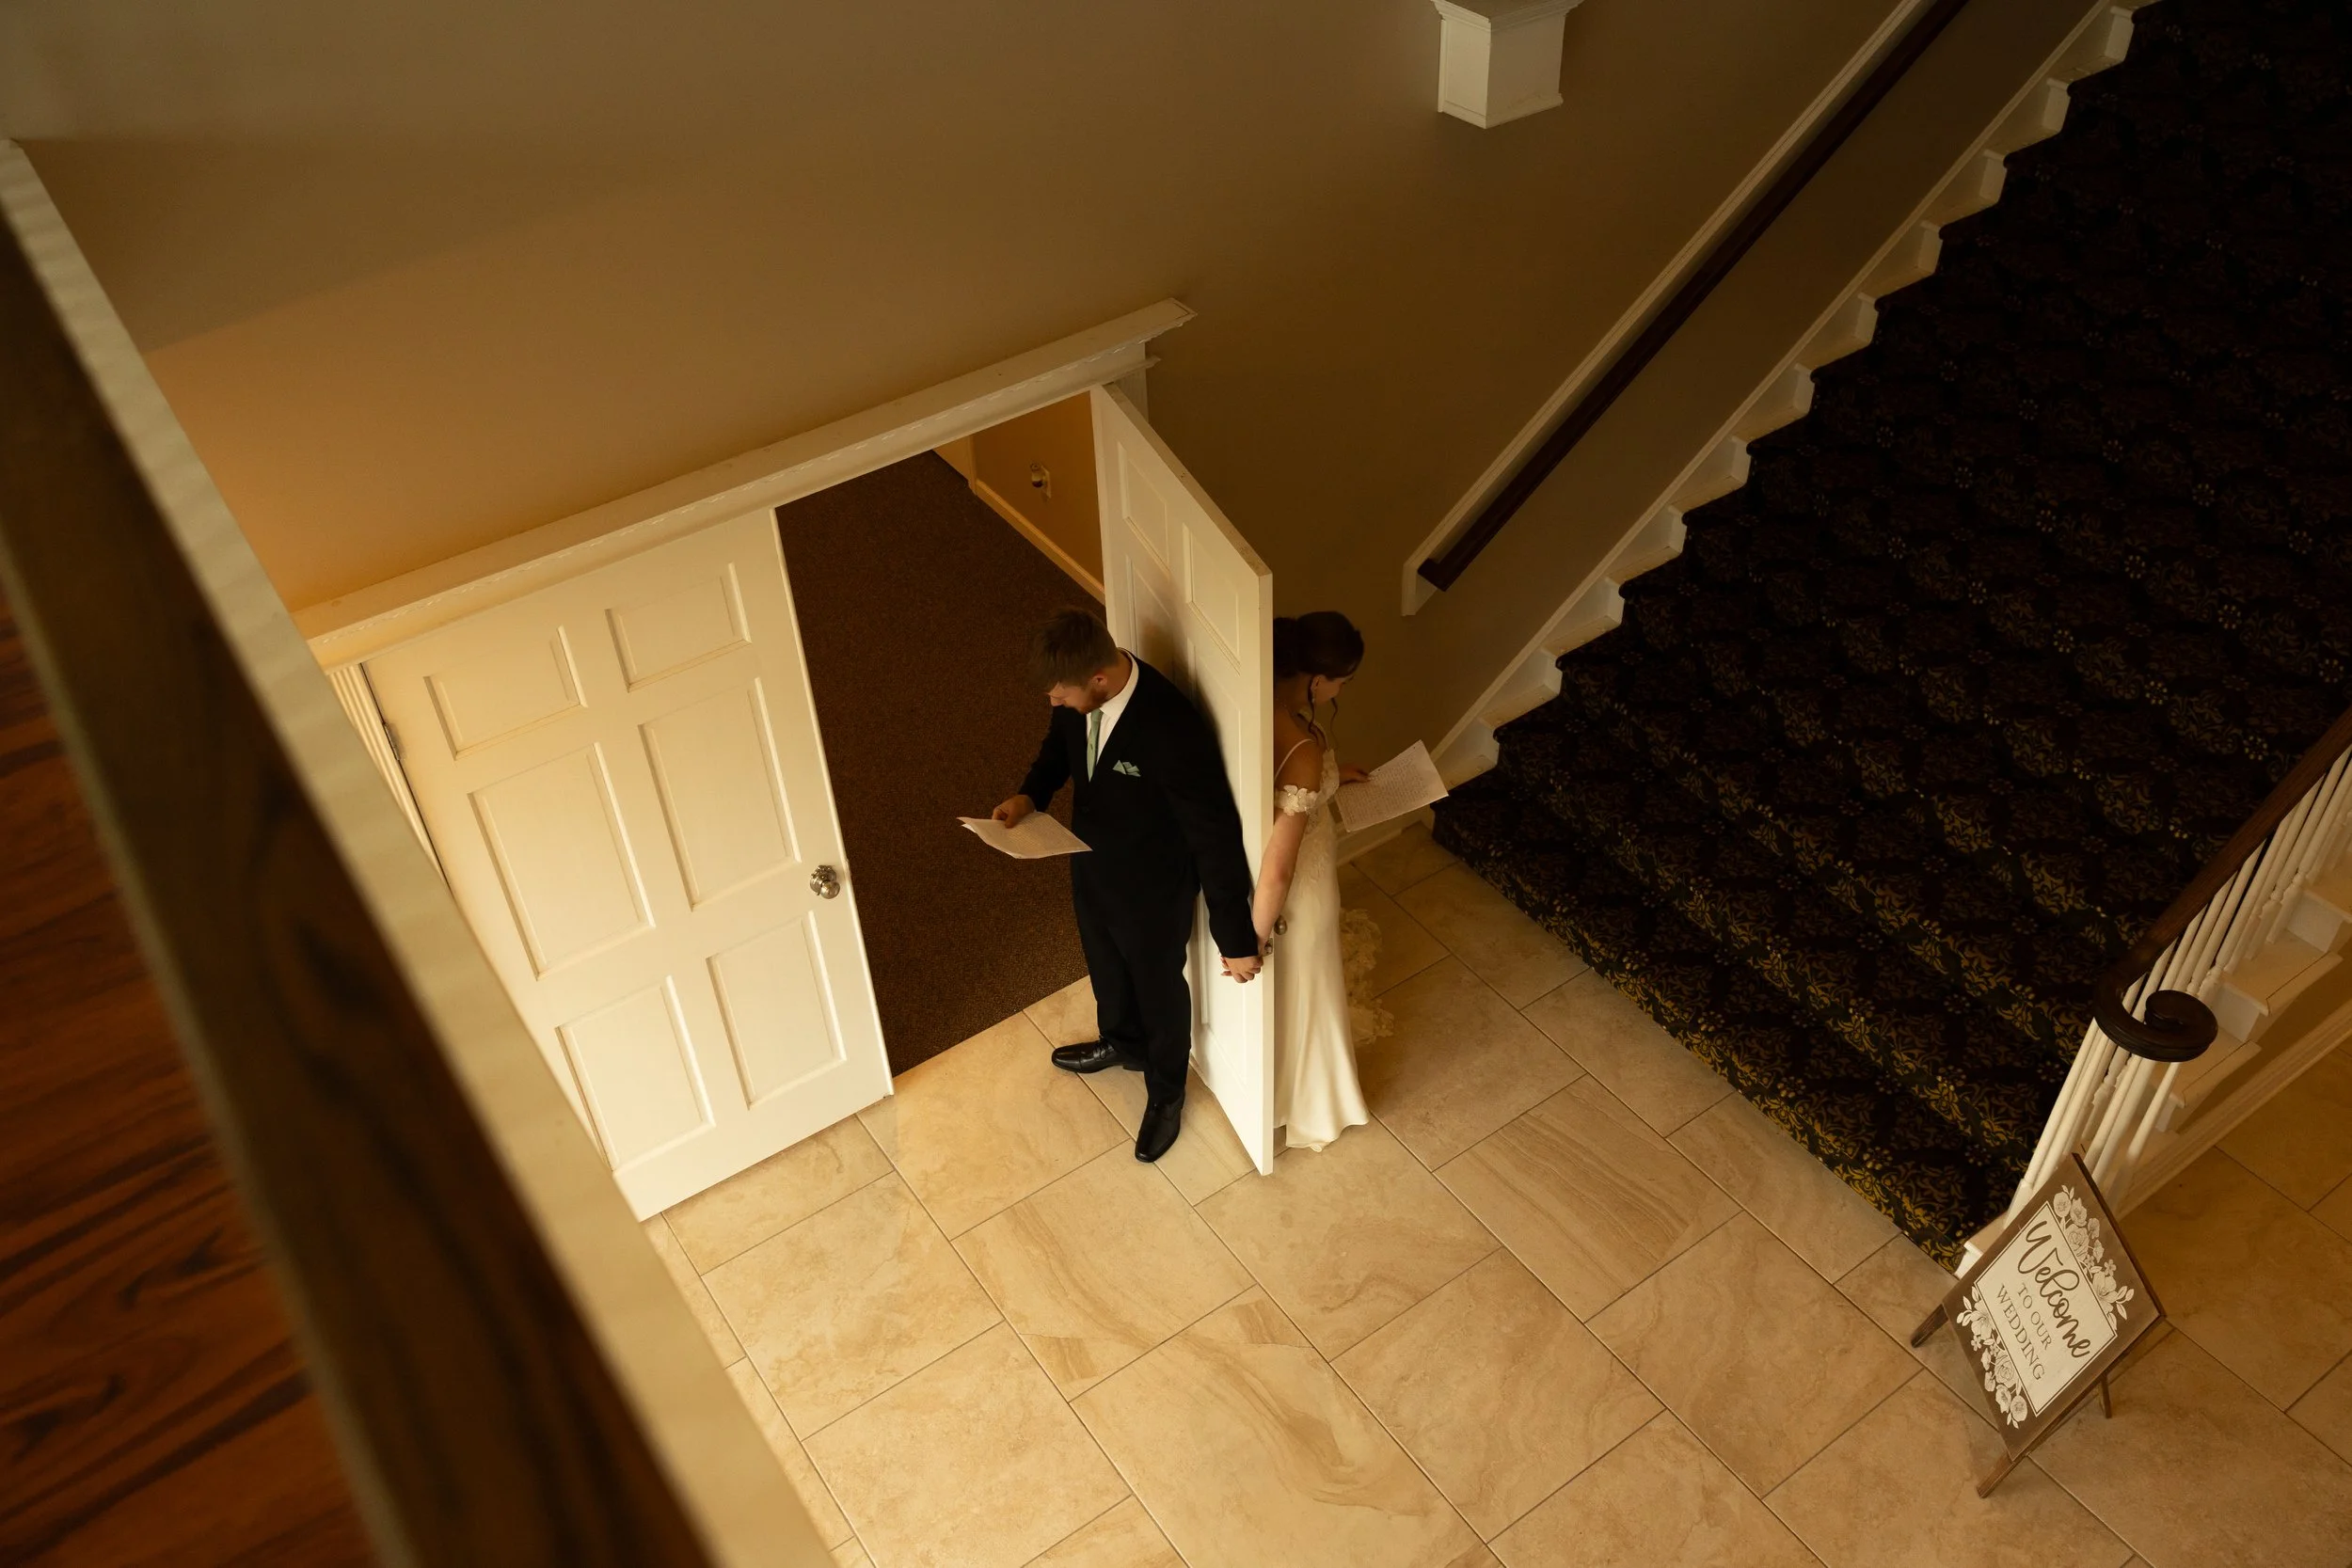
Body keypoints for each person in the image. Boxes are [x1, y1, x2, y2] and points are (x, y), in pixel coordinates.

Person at [993, 609, 1259, 1163]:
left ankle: (1166, 1094)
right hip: (1090, 864)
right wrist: (1030, 796)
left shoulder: (1172, 728)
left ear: (1098, 678)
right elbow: (1056, 751)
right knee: (1105, 968)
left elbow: (1214, 834)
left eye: (1059, 694)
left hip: (1153, 886)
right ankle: (1121, 1041)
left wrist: (1235, 938)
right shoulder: (1078, 701)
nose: (1053, 703)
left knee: (1158, 989)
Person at [1254, 611, 1382, 1151]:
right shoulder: (1301, 748)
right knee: (1306, 985)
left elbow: (1289, 794)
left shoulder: (1261, 707)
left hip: (1302, 861)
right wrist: (1253, 936)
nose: (1342, 689)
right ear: (1316, 680)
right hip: (1303, 888)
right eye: (1342, 680)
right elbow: (1280, 864)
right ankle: (1306, 1101)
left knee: (1301, 984)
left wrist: (1333, 777)